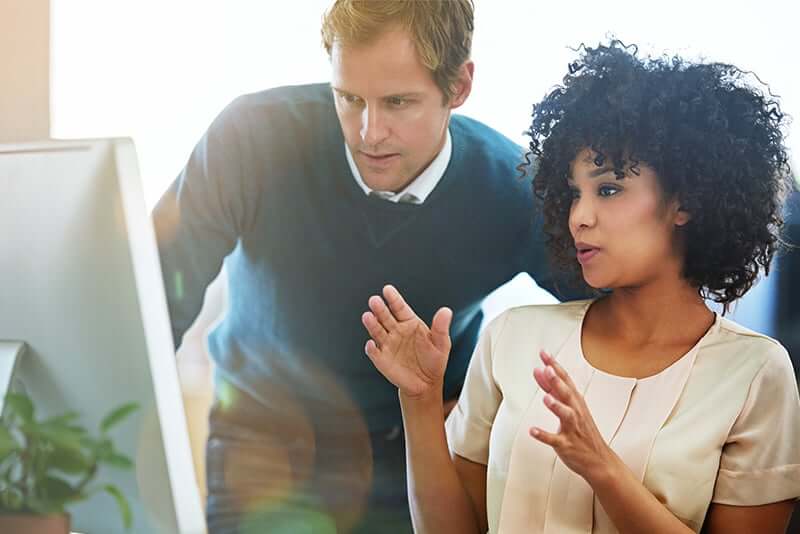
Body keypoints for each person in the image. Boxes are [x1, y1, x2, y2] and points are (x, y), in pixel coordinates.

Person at [153, 1, 581, 532]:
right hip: (261, 446)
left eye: (399, 102)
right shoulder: (250, 139)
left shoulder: (515, 189)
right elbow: (150, 301)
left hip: (415, 458)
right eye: (349, 98)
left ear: (459, 87)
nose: (368, 132)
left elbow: (621, 307)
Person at [363, 41, 800, 533]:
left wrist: (601, 467)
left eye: (608, 189)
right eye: (574, 193)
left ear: (687, 201)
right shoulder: (515, 336)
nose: (580, 217)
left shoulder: (754, 373)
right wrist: (421, 403)